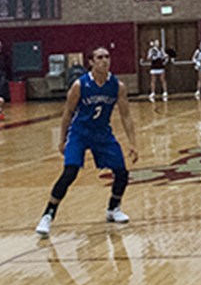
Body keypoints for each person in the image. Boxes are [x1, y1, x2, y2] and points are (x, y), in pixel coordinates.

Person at [35, 47, 139, 236]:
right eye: (99, 57)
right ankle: (48, 214)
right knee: (70, 172)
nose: (104, 61)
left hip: (103, 133)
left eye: (107, 57)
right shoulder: (79, 85)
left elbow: (126, 115)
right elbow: (67, 113)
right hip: (80, 133)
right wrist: (62, 140)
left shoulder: (117, 86)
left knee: (122, 172)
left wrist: (133, 143)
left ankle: (113, 208)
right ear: (91, 62)